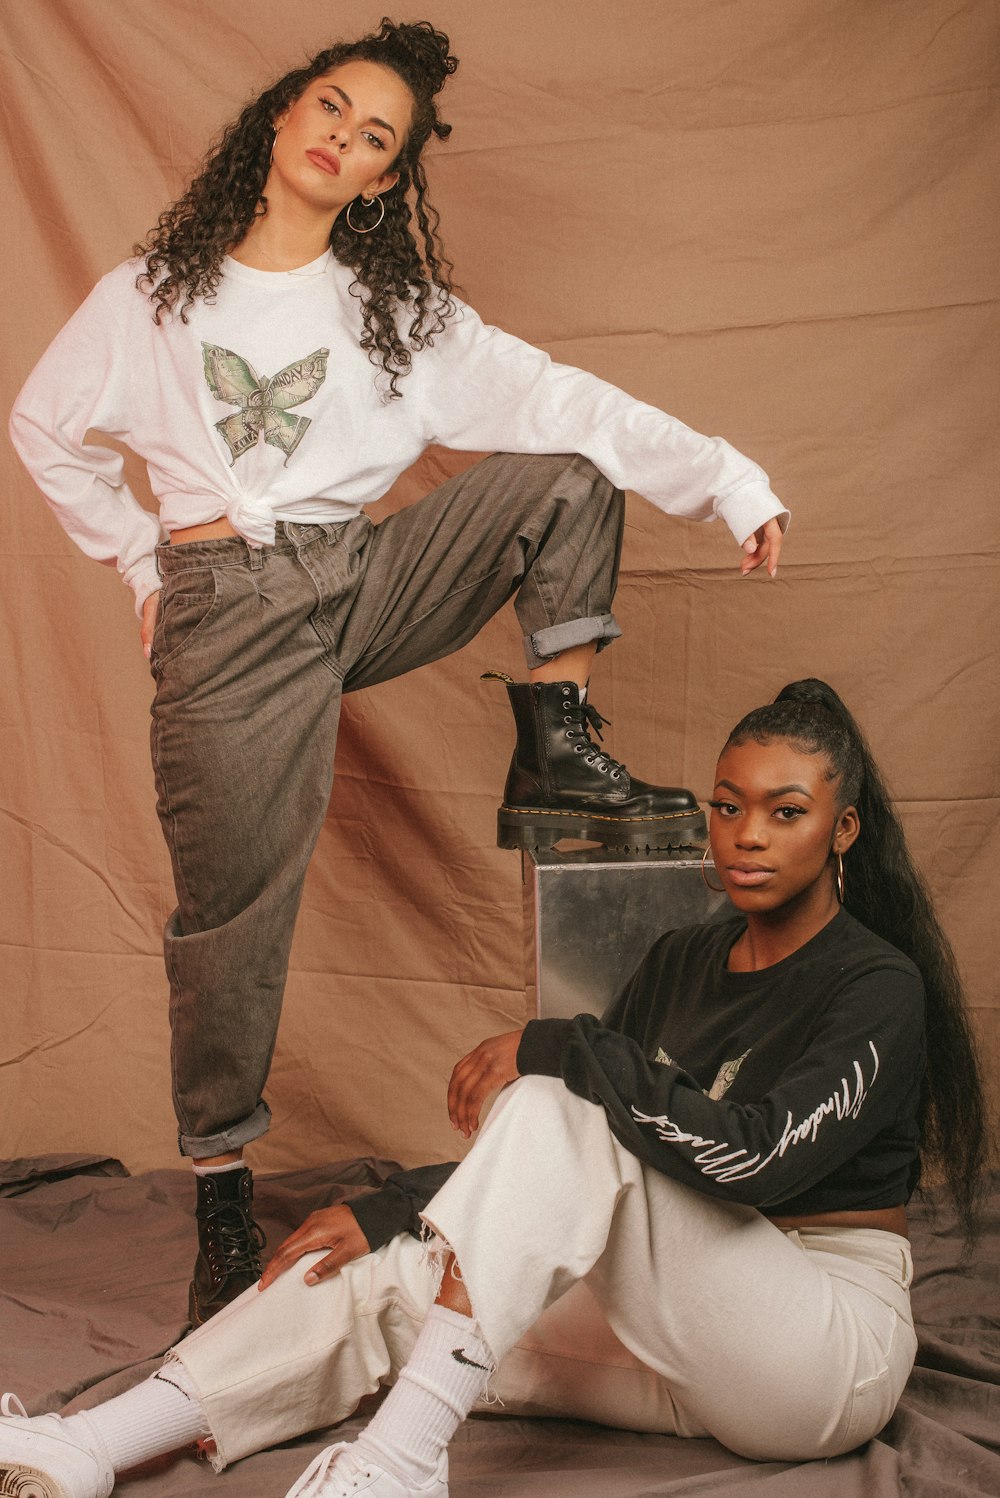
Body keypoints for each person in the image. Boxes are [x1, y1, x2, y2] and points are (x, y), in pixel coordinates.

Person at [8, 17, 788, 1324]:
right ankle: (218, 1186)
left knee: (564, 470)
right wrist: (144, 568)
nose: (342, 137)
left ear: (384, 180)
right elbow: (45, 427)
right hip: (225, 614)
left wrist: (727, 479)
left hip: (355, 578)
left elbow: (566, 401)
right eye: (329, 107)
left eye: (377, 137)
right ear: (279, 117)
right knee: (228, 921)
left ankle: (557, 735)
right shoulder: (156, 292)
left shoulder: (397, 317)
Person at [1, 679, 987, 1498]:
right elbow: (569, 1165)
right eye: (727, 805)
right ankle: (91, 1444)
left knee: (561, 1098)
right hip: (671, 1340)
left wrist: (557, 1044)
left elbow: (754, 1161)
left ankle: (399, 1459)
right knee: (383, 1270)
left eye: (785, 811)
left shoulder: (876, 987)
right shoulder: (685, 957)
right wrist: (394, 1207)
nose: (746, 835)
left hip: (813, 1350)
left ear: (842, 827)